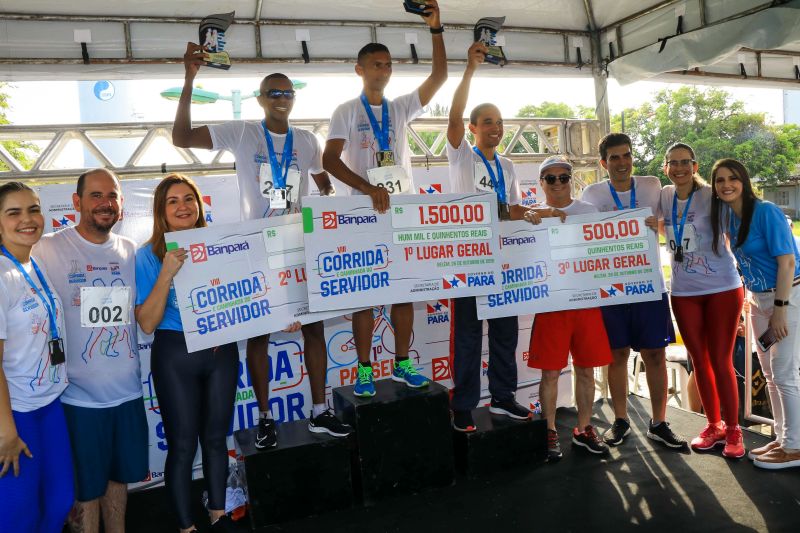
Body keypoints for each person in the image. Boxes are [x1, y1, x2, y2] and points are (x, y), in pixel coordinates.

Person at [172, 49, 351, 448]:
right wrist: (189, 79)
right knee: (259, 333)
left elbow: (323, 182)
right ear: (260, 99)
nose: (281, 98)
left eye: (287, 92)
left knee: (314, 328)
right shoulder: (242, 133)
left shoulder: (306, 140)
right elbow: (181, 137)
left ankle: (320, 410)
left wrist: (323, 204)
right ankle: (266, 417)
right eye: (273, 92)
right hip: (257, 248)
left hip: (297, 244)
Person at [322, 0, 447, 397]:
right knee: (364, 292)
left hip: (397, 210)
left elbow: (440, 76)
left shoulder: (400, 107)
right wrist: (367, 189)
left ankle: (402, 363)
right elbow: (328, 160)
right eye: (377, 64)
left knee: (403, 290)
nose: (385, 69)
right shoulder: (345, 110)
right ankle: (363, 369)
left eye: (389, 64)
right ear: (360, 70)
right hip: (360, 211)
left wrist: (436, 29)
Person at [34, 168, 149, 532]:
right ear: (77, 202)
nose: (105, 203)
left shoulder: (131, 252)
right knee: (86, 491)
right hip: (78, 400)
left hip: (128, 392)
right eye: (96, 196)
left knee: (119, 482)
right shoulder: (48, 247)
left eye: (112, 196)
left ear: (121, 205)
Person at [134, 174, 238, 532]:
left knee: (215, 439)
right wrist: (166, 274)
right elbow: (147, 323)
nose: (183, 207)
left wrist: (283, 317)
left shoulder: (222, 244)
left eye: (188, 199)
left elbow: (251, 297)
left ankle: (218, 514)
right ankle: (185, 526)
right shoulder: (148, 255)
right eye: (173, 201)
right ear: (161, 211)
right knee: (182, 445)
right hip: (175, 354)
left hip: (221, 352)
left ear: (199, 203)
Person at [445, 41, 532, 431]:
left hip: (504, 258)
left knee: (504, 331)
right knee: (466, 335)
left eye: (500, 122)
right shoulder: (462, 155)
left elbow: (513, 210)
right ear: (473, 129)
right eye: (488, 122)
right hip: (468, 257)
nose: (495, 128)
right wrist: (469, 71)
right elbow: (453, 115)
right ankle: (462, 404)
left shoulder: (510, 165)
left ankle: (503, 397)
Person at [580, 133, 686, 449]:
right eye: (614, 157)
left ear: (632, 158)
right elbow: (583, 235)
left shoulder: (652, 185)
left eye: (626, 155)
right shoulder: (592, 193)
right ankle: (621, 420)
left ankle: (659, 422)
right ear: (603, 163)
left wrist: (660, 226)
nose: (622, 162)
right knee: (617, 356)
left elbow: (676, 219)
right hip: (611, 288)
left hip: (649, 284)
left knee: (656, 354)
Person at [710, 158, 800, 469]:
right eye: (720, 180)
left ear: (744, 181)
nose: (726, 185)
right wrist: (753, 300)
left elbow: (787, 263)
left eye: (733, 178)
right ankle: (782, 437)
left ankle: (795, 446)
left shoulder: (765, 212)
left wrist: (779, 309)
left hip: (787, 296)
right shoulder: (730, 217)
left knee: (786, 373)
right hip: (759, 300)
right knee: (771, 375)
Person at [658, 144, 745, 458]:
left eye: (685, 162)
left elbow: (743, 223)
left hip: (722, 288)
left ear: (695, 166)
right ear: (665, 167)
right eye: (673, 163)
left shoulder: (712, 194)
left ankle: (734, 430)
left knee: (721, 361)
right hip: (684, 293)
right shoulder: (664, 196)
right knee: (700, 361)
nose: (679, 167)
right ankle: (714, 425)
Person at [525, 156, 614, 460]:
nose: (559, 183)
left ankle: (584, 428)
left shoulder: (588, 211)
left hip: (586, 302)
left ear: (571, 179)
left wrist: (642, 229)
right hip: (552, 304)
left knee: (586, 370)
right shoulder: (531, 214)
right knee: (550, 373)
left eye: (564, 177)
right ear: (542, 183)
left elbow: (608, 246)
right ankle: (549, 431)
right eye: (551, 178)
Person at [0, 182, 73, 532]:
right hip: (15, 414)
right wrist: (6, 431)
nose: (27, 219)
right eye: (14, 212)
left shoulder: (33, 264)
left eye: (33, 209)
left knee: (59, 501)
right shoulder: (1, 275)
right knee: (18, 514)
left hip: (49, 403)